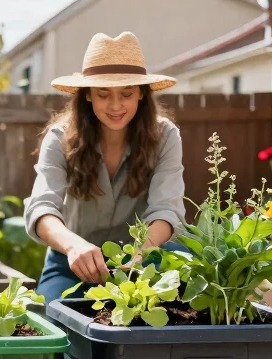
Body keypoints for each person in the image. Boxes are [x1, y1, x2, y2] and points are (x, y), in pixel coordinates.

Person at [24, 31, 186, 305]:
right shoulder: (58, 138)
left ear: (142, 95)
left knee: (162, 326)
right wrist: (74, 246)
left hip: (145, 260)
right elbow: (42, 207)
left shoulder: (165, 136)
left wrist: (140, 252)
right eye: (103, 94)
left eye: (126, 94)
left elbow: (167, 209)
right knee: (53, 321)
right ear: (87, 95)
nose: (115, 105)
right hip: (72, 262)